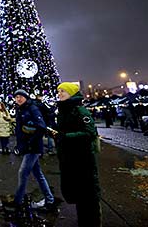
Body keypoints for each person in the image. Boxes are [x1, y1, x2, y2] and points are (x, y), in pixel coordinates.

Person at [53, 82, 101, 227]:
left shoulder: (80, 111)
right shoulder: (63, 111)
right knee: (78, 194)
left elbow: (89, 133)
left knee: (87, 195)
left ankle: (92, 222)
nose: (59, 93)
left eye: (63, 91)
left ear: (72, 94)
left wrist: (66, 136)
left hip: (82, 159)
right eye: (59, 91)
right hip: (69, 158)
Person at [12, 89, 55, 212]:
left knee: (22, 173)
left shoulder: (32, 108)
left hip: (33, 147)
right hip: (26, 147)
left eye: (21, 96)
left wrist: (31, 141)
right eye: (16, 97)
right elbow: (19, 130)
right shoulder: (20, 109)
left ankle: (18, 201)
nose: (18, 99)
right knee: (38, 174)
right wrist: (19, 145)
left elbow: (41, 127)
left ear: (26, 97)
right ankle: (49, 199)